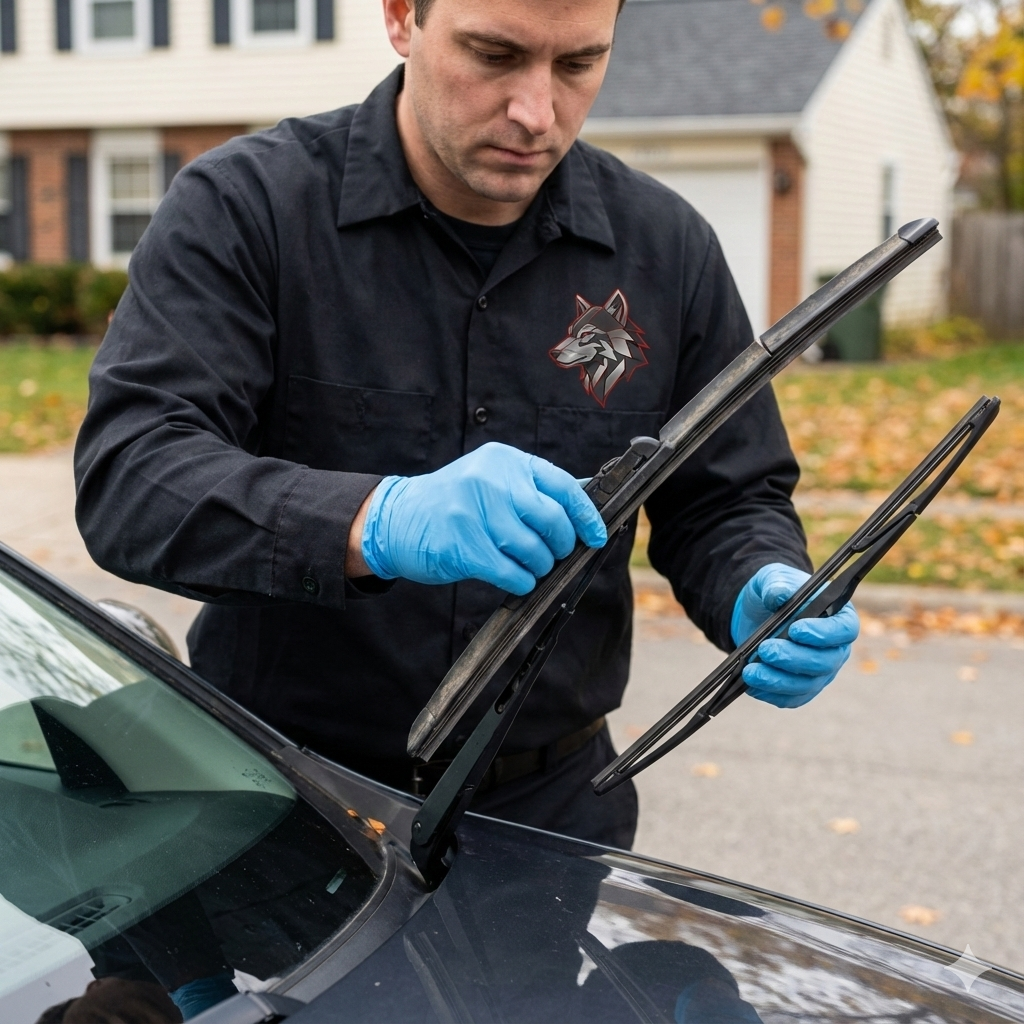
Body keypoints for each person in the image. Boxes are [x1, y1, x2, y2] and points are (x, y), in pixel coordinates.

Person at [74, 0, 858, 851]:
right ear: (401, 16)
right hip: (276, 800)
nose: (535, 112)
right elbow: (133, 475)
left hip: (554, 816)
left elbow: (725, 496)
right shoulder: (248, 209)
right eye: (494, 54)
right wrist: (373, 522)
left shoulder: (667, 251)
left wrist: (758, 580)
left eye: (576, 65)